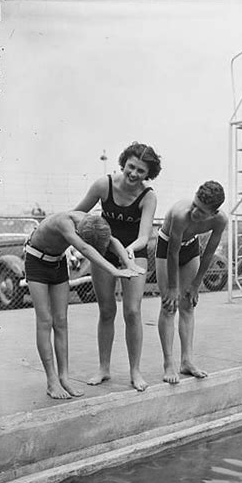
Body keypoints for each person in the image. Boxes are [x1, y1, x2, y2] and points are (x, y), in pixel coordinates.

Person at [25, 211, 142, 400]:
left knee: (61, 321)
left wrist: (129, 263)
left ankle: (63, 377)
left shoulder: (92, 223)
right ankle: (51, 380)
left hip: (58, 263)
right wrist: (114, 271)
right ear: (80, 234)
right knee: (45, 320)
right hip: (36, 262)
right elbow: (86, 250)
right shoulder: (65, 223)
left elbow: (113, 241)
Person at [74, 141, 161, 392]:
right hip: (104, 251)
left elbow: (145, 236)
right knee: (107, 310)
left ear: (149, 174)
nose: (134, 174)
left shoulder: (148, 196)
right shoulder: (104, 185)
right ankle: (104, 368)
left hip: (134, 252)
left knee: (132, 311)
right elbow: (78, 213)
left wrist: (127, 253)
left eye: (141, 171)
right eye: (131, 167)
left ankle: (135, 371)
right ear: (124, 162)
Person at [156, 181, 227, 384]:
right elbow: (172, 252)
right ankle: (168, 363)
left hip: (191, 246)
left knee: (188, 305)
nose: (195, 211)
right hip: (167, 246)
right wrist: (172, 287)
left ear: (213, 213)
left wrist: (196, 284)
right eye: (195, 204)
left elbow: (209, 253)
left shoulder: (220, 221)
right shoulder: (180, 215)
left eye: (202, 211)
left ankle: (186, 361)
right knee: (169, 305)